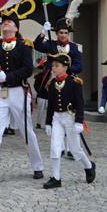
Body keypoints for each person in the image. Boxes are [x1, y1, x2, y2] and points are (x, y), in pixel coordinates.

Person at [0, 13, 44, 183]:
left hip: (18, 91)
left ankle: (37, 165)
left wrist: (9, 76)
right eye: (4, 22)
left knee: (27, 131)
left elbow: (27, 70)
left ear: (16, 28)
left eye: (10, 22)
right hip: (0, 93)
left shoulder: (23, 46)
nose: (6, 24)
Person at [34, 12, 83, 159]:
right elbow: (37, 46)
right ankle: (59, 146)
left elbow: (79, 66)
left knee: (70, 114)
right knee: (57, 111)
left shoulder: (74, 48)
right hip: (53, 83)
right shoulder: (51, 45)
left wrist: (67, 72)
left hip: (69, 83)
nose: (63, 35)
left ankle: (71, 148)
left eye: (66, 32)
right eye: (61, 32)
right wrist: (43, 32)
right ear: (56, 33)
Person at [43, 53, 96, 189]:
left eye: (57, 66)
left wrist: (79, 121)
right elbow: (50, 105)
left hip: (70, 118)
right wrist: (48, 122)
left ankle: (89, 166)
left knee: (75, 149)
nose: (53, 68)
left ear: (65, 67)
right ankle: (56, 178)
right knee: (55, 147)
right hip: (57, 118)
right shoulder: (53, 83)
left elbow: (79, 103)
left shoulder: (74, 82)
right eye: (53, 66)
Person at [33, 58, 49, 129]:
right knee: (40, 110)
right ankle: (39, 123)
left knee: (48, 111)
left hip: (49, 96)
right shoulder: (39, 75)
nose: (44, 68)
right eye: (43, 67)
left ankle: (48, 123)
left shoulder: (52, 75)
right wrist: (39, 91)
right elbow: (35, 85)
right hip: (41, 95)